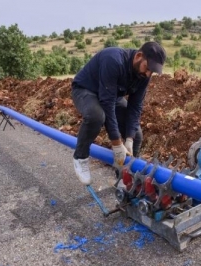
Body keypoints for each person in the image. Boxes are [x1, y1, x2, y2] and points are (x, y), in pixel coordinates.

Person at [71, 42, 166, 185]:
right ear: (138, 56)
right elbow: (107, 105)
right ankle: (80, 157)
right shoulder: (113, 60)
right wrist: (116, 143)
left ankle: (124, 178)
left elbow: (135, 106)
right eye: (147, 68)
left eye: (151, 71)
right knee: (97, 116)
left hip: (112, 95)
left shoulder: (144, 76)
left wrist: (129, 139)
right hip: (86, 90)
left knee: (136, 134)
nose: (148, 73)